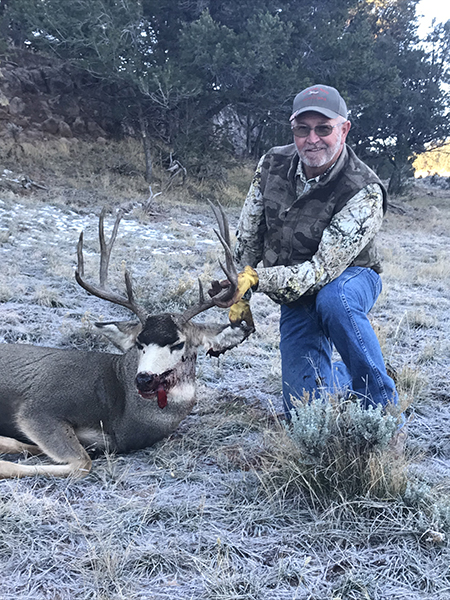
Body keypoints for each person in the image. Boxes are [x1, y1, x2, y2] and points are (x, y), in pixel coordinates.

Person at [212, 84, 399, 419]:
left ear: (344, 129)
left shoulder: (364, 189)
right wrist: (241, 291)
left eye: (324, 129)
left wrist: (256, 279)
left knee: (333, 299)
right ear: (293, 129)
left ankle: (381, 404)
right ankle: (345, 378)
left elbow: (320, 272)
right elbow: (250, 231)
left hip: (350, 276)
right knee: (302, 416)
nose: (312, 139)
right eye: (303, 129)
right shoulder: (272, 162)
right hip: (294, 289)